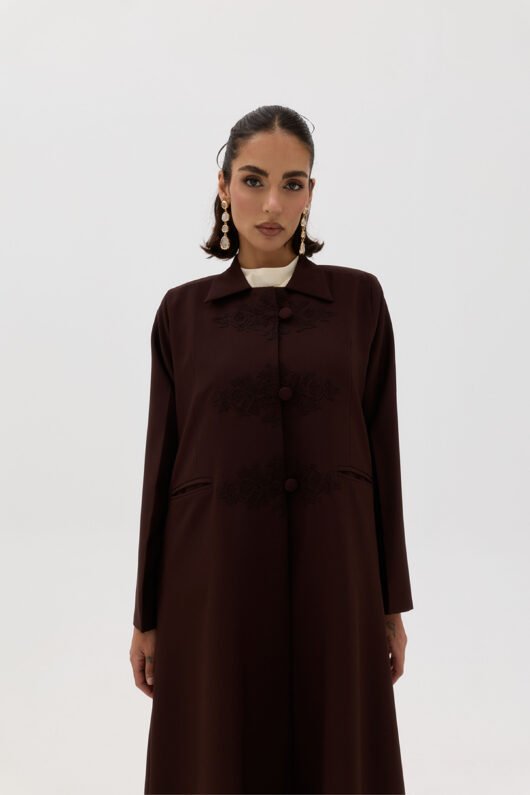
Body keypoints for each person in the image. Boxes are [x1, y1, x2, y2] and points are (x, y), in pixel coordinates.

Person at [129, 104, 414, 795]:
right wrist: (147, 616)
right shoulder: (182, 314)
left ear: (311, 193)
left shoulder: (359, 302)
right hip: (213, 580)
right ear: (224, 185)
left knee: (336, 746)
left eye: (293, 184)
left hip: (336, 576)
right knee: (219, 748)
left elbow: (383, 453)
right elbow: (162, 468)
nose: (272, 204)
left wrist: (391, 602)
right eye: (254, 180)